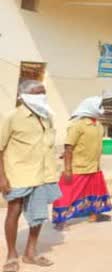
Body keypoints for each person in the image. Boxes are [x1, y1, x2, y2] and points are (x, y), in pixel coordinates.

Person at [0, 80, 61, 271]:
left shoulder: (47, 116)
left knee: (39, 215)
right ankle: (11, 254)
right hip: (18, 173)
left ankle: (30, 253)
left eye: (43, 93)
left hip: (43, 174)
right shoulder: (12, 117)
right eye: (37, 93)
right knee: (14, 211)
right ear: (24, 96)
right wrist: (2, 177)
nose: (42, 96)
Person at [52, 96, 112, 230]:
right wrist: (67, 169)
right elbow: (68, 146)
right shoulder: (77, 125)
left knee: (94, 192)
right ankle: (60, 220)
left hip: (94, 167)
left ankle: (94, 215)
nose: (101, 109)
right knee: (66, 193)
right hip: (78, 167)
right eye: (99, 106)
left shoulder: (99, 125)